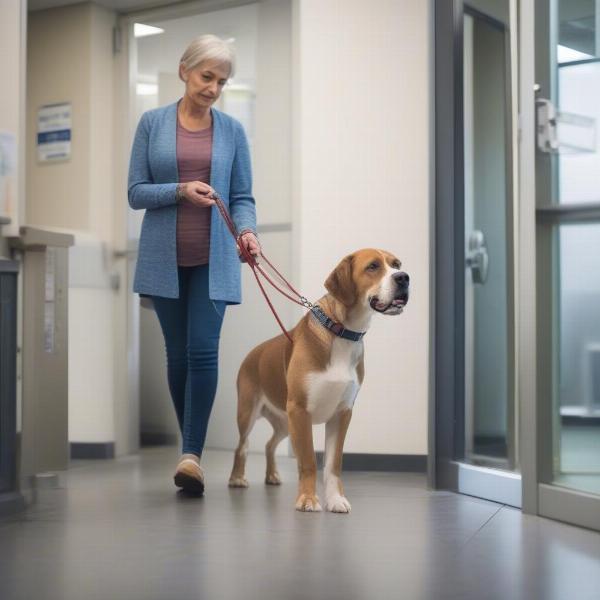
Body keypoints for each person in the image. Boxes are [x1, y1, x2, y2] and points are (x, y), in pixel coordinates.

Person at [127, 34, 260, 496]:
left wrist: (247, 231)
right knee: (177, 355)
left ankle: (191, 455)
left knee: (203, 351)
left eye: (222, 81)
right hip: (164, 261)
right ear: (185, 71)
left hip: (215, 260)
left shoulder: (233, 132)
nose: (213, 88)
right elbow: (136, 192)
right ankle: (190, 450)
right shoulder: (151, 123)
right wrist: (180, 190)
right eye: (207, 77)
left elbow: (242, 196)